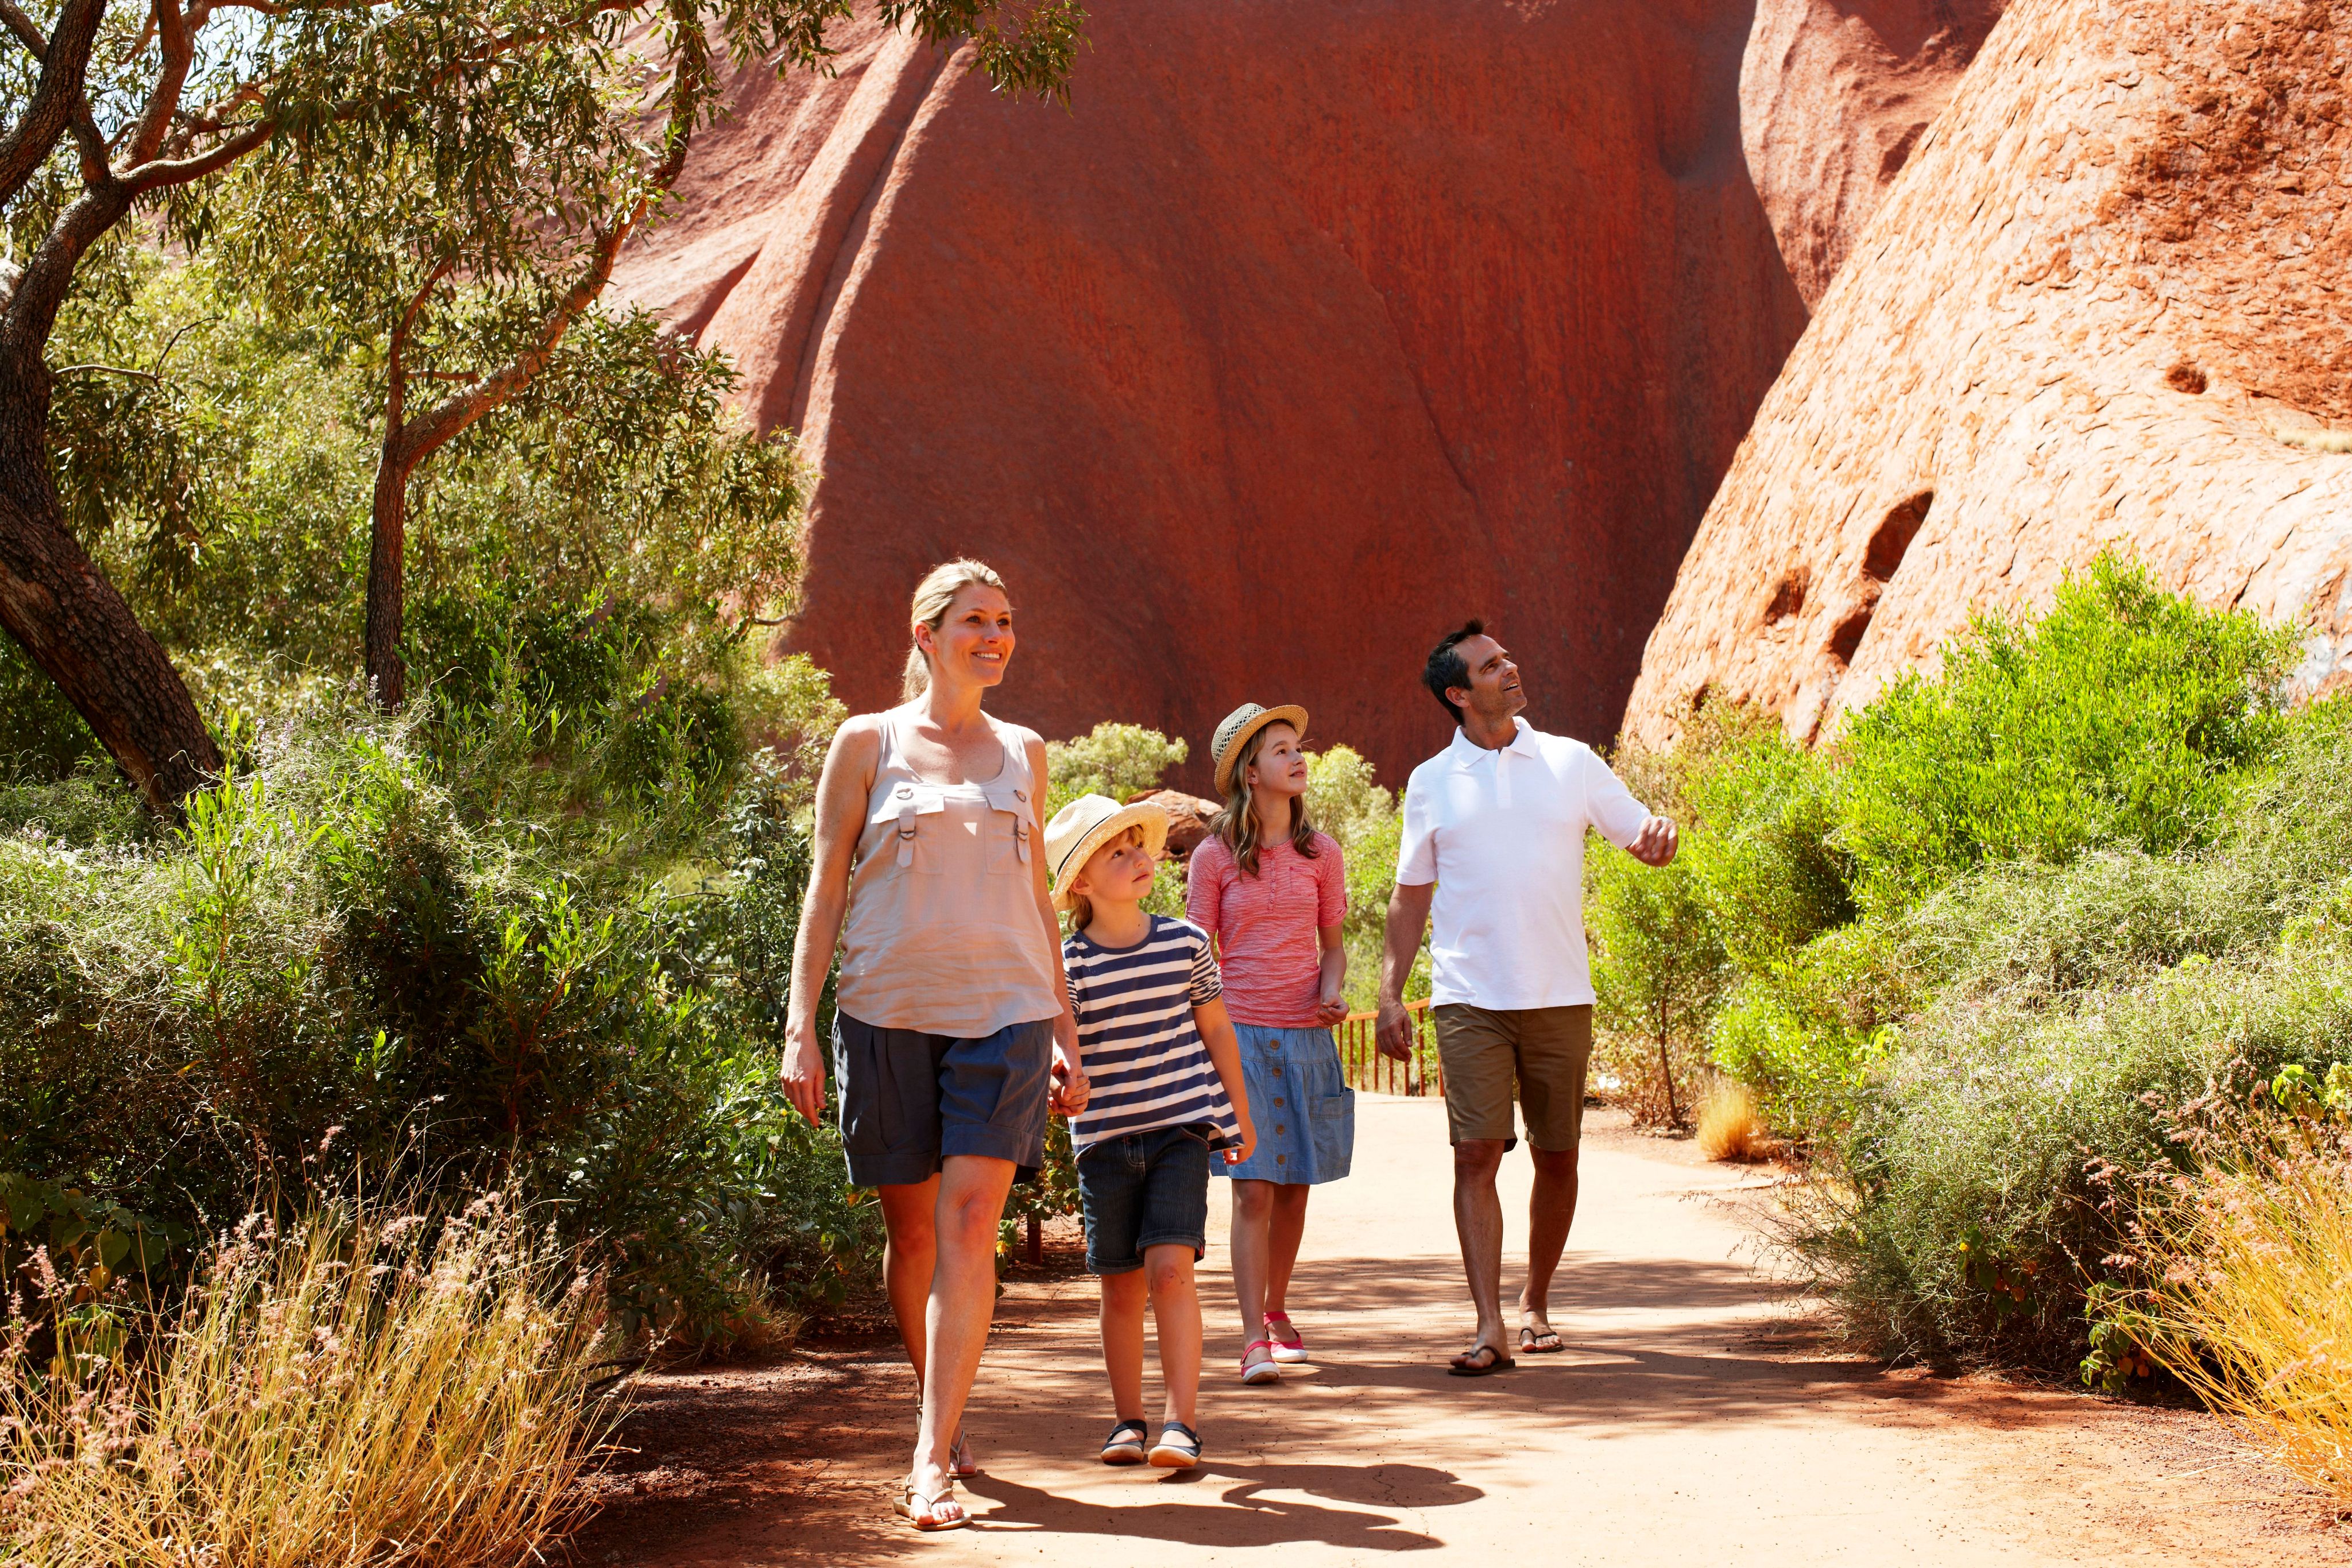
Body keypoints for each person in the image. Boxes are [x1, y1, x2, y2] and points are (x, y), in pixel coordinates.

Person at [779, 560, 1088, 1532]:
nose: (994, 637)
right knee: (911, 1235)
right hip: (884, 1010)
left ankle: (929, 1458)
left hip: (1005, 1011)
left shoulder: (1025, 751)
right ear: (926, 635)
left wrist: (1064, 1026)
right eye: (974, 621)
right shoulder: (865, 743)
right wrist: (800, 1024)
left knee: (967, 1226)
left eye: (1005, 620)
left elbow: (1037, 895)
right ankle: (938, 1409)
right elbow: (825, 890)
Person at [1374, 621, 1678, 1377]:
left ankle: (1536, 1298)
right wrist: (1388, 995)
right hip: (1469, 995)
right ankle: (1489, 1325)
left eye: (1508, 656)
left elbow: (1634, 827)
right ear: (1457, 692)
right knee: (1476, 1151)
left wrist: (1653, 839)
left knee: (1559, 1154)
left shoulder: (1571, 761)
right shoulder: (1430, 781)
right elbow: (1411, 899)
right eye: (1490, 664)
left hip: (1560, 994)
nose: (1510, 668)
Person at [1048, 793, 1258, 1470]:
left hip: (1179, 1132)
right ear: (1080, 881)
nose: (1143, 860)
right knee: (1120, 1286)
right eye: (1120, 852)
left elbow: (1217, 1030)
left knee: (1170, 1270)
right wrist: (1062, 1080)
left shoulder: (1185, 943)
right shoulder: (1067, 964)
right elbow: (1062, 1048)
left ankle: (1181, 1424)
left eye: (1142, 847)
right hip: (1104, 1141)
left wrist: (1238, 1115)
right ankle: (1127, 1421)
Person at [1187, 702, 1351, 1386]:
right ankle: (1252, 1336)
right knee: (1252, 1189)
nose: (1297, 757)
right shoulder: (1214, 854)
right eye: (1281, 750)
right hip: (1240, 1037)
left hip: (1308, 1037)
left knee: (1295, 1190)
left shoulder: (1323, 854)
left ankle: (1278, 1310)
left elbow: (1333, 948)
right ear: (1249, 772)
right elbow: (1196, 951)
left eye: (1298, 747)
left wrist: (1332, 991)